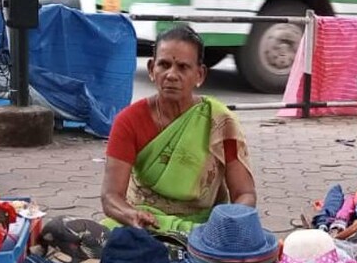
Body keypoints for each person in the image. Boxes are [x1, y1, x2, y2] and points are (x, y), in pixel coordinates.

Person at [101, 25, 257, 233]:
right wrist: (131, 215)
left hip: (202, 230)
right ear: (150, 69)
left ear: (200, 75)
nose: (171, 75)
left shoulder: (219, 121)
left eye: (183, 67)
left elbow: (245, 193)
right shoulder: (128, 121)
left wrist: (227, 223)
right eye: (164, 65)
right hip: (144, 223)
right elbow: (111, 197)